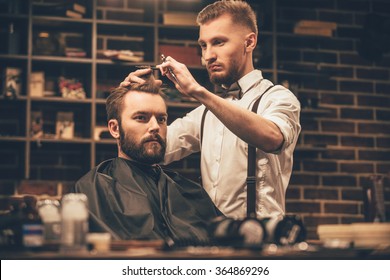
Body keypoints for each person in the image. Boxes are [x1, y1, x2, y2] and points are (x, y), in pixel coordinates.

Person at [120, 0, 301, 220]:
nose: (208, 56)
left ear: (250, 42)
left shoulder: (278, 97)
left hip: (263, 244)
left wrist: (198, 92)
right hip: (214, 241)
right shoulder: (204, 114)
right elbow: (152, 148)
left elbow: (273, 138)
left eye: (219, 42)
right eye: (203, 45)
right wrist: (128, 102)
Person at [74, 76, 222, 242]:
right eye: (141, 118)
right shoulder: (95, 188)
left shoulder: (189, 191)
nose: (155, 127)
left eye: (161, 119)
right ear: (115, 128)